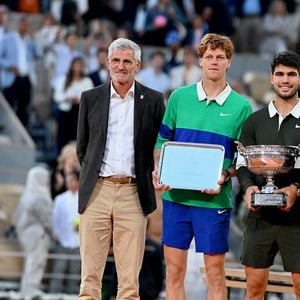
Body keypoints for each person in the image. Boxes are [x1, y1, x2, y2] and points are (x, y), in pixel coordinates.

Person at [152, 33, 252, 300]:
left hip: (214, 200)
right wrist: (158, 169)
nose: (214, 61)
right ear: (200, 60)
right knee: (174, 271)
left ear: (229, 62)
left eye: (220, 57)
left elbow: (243, 158)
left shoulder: (242, 106)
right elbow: (163, 140)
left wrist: (225, 175)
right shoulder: (178, 98)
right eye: (209, 56)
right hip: (176, 198)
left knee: (216, 274)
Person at [76, 37, 165, 299]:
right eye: (116, 60)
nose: (121, 66)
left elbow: (159, 145)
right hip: (97, 191)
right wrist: (95, 177)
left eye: (127, 61)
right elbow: (83, 148)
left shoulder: (154, 100)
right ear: (107, 63)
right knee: (89, 277)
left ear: (137, 65)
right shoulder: (90, 98)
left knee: (129, 282)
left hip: (133, 193)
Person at [236, 50, 300, 298]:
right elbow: (242, 162)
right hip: (260, 216)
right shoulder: (254, 121)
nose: (286, 80)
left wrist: (295, 189)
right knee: (254, 287)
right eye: (280, 74)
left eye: (292, 74)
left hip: (298, 218)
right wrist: (249, 187)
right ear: (271, 78)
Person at [14, 166, 53, 299]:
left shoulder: (26, 196)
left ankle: (26, 290)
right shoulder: (39, 197)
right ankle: (30, 292)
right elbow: (47, 219)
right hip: (38, 235)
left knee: (30, 262)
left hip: (25, 235)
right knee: (36, 262)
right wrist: (54, 232)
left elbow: (16, 218)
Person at [48, 168, 81, 294]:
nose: (70, 183)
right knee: (59, 269)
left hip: (78, 240)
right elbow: (55, 217)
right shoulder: (60, 198)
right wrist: (55, 233)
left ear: (78, 182)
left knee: (75, 270)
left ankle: (72, 294)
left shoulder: (84, 197)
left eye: (72, 181)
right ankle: (53, 294)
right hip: (62, 239)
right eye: (68, 181)